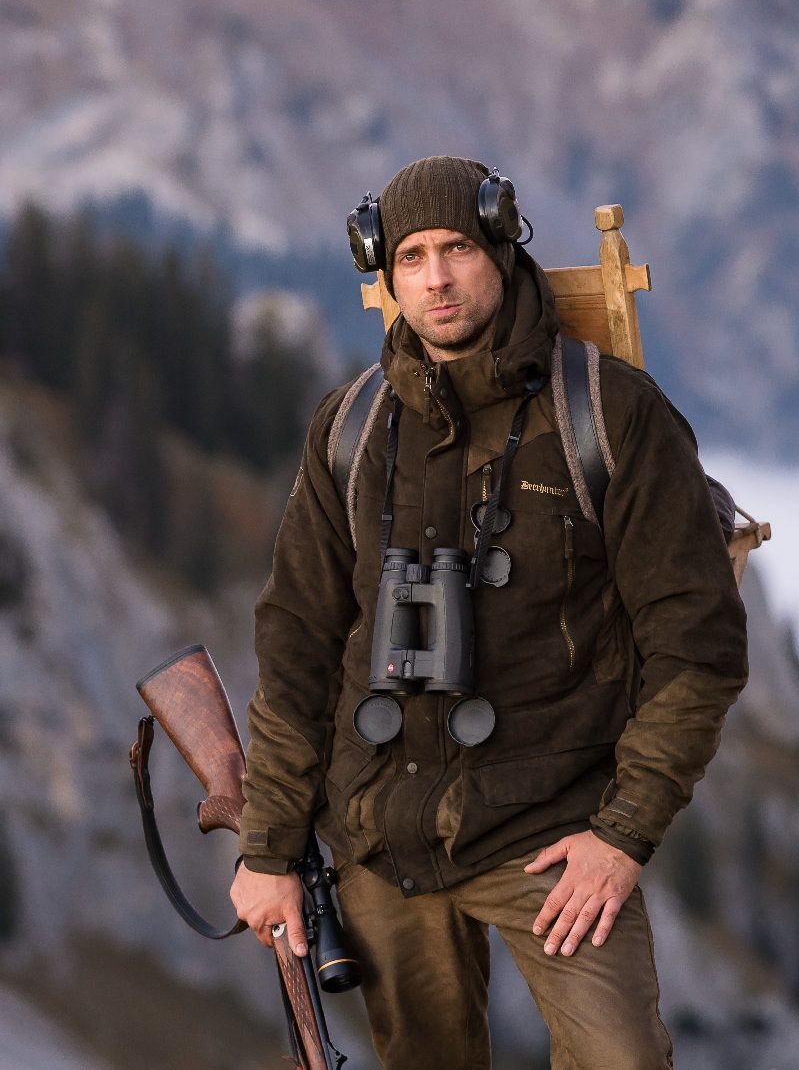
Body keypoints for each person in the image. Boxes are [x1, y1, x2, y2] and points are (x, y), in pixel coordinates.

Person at [230, 156, 748, 1070]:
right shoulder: (348, 428)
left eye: (457, 249)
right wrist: (270, 845)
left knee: (622, 1061)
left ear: (503, 251)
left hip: (553, 840)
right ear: (384, 274)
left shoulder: (610, 415)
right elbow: (298, 644)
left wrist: (622, 836)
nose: (435, 278)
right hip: (377, 833)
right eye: (411, 257)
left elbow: (695, 649)